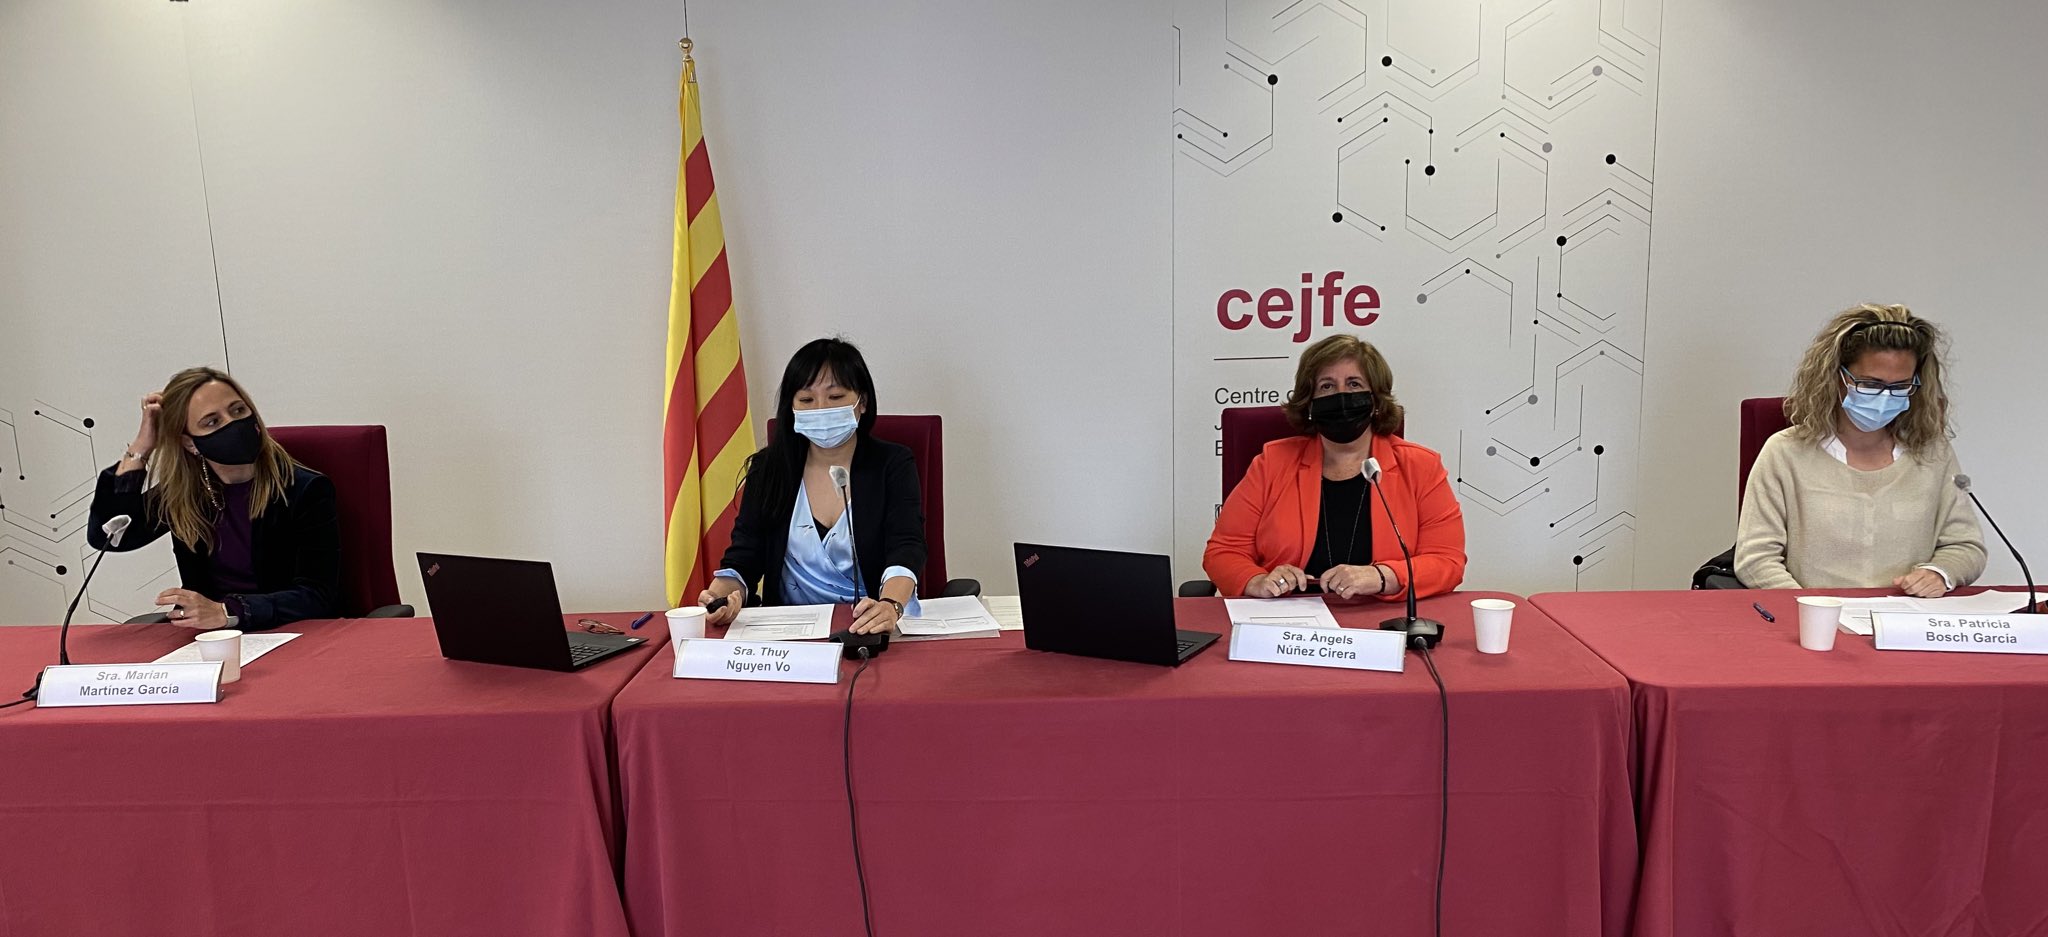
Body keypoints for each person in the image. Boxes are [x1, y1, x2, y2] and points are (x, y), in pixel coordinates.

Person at [1736, 304, 1985, 594]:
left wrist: (1940, 573)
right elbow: (1755, 559)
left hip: (1906, 615)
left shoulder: (1932, 453)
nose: (1884, 397)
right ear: (1836, 377)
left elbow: (1966, 546)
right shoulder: (1785, 453)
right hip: (1815, 615)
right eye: (1870, 384)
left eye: (1900, 386)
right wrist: (1808, 607)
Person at [1204, 335, 1467, 600]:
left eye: (1354, 384)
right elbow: (1223, 552)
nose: (1341, 396)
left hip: (1382, 615)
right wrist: (1257, 581)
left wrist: (1382, 576)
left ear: (1376, 401)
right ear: (1309, 403)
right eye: (1327, 386)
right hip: (1289, 615)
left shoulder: (1421, 467)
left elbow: (1447, 561)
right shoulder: (1272, 463)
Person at [699, 338, 926, 634]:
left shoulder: (892, 464)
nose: (821, 409)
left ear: (862, 402)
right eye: (807, 400)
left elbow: (906, 546)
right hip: (788, 633)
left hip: (868, 627)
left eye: (835, 397)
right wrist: (720, 597)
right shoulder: (769, 468)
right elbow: (744, 557)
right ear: (792, 407)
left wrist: (891, 605)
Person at [86, 367, 341, 630]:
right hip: (208, 639)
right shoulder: (184, 494)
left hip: (288, 631)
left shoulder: (305, 490)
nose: (232, 424)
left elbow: (317, 595)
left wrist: (228, 611)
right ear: (190, 444)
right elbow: (110, 536)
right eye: (212, 422)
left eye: (238, 410)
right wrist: (142, 447)